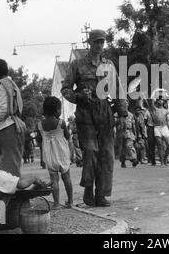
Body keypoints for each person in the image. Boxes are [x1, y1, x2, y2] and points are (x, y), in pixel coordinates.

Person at [61, 29, 128, 207]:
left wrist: (122, 113)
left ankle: (101, 194)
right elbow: (65, 89)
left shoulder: (109, 65)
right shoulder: (77, 64)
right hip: (85, 113)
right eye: (96, 41)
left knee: (106, 154)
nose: (99, 45)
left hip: (105, 112)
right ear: (89, 43)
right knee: (90, 152)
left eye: (102, 42)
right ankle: (88, 189)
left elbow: (118, 90)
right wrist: (79, 96)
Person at [36, 97, 73, 209]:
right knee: (66, 178)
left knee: (54, 180)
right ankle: (70, 202)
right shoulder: (61, 123)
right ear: (57, 110)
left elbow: (39, 139)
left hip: (50, 156)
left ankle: (56, 203)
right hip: (62, 154)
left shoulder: (40, 125)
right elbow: (67, 136)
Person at [148, 93, 169, 167]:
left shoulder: (166, 111)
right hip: (157, 128)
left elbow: (168, 122)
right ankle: (162, 162)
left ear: (164, 101)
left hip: (164, 127)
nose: (160, 101)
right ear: (157, 101)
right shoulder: (154, 109)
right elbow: (150, 102)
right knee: (160, 145)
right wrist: (153, 93)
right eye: (159, 99)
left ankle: (165, 158)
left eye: (162, 99)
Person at [134, 96, 150, 164]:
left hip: (141, 133)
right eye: (137, 110)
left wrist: (143, 134)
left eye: (139, 110)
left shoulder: (141, 115)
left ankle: (142, 159)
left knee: (142, 146)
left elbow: (142, 125)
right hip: (135, 133)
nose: (138, 111)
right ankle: (139, 159)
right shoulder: (134, 116)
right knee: (139, 147)